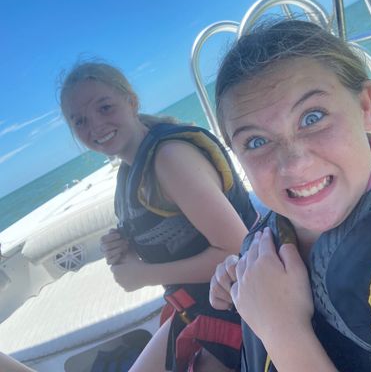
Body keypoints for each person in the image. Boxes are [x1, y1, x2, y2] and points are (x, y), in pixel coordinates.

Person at [209, 19, 371, 371]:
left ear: (365, 107)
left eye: (312, 117)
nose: (294, 164)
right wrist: (244, 279)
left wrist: (281, 327)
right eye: (256, 141)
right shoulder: (276, 232)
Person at [59, 61, 259, 372]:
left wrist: (142, 276)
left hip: (244, 305)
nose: (95, 126)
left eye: (105, 108)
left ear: (131, 101)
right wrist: (126, 245)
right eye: (80, 121)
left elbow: (237, 250)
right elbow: (171, 234)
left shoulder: (170, 159)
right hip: (199, 307)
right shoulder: (131, 170)